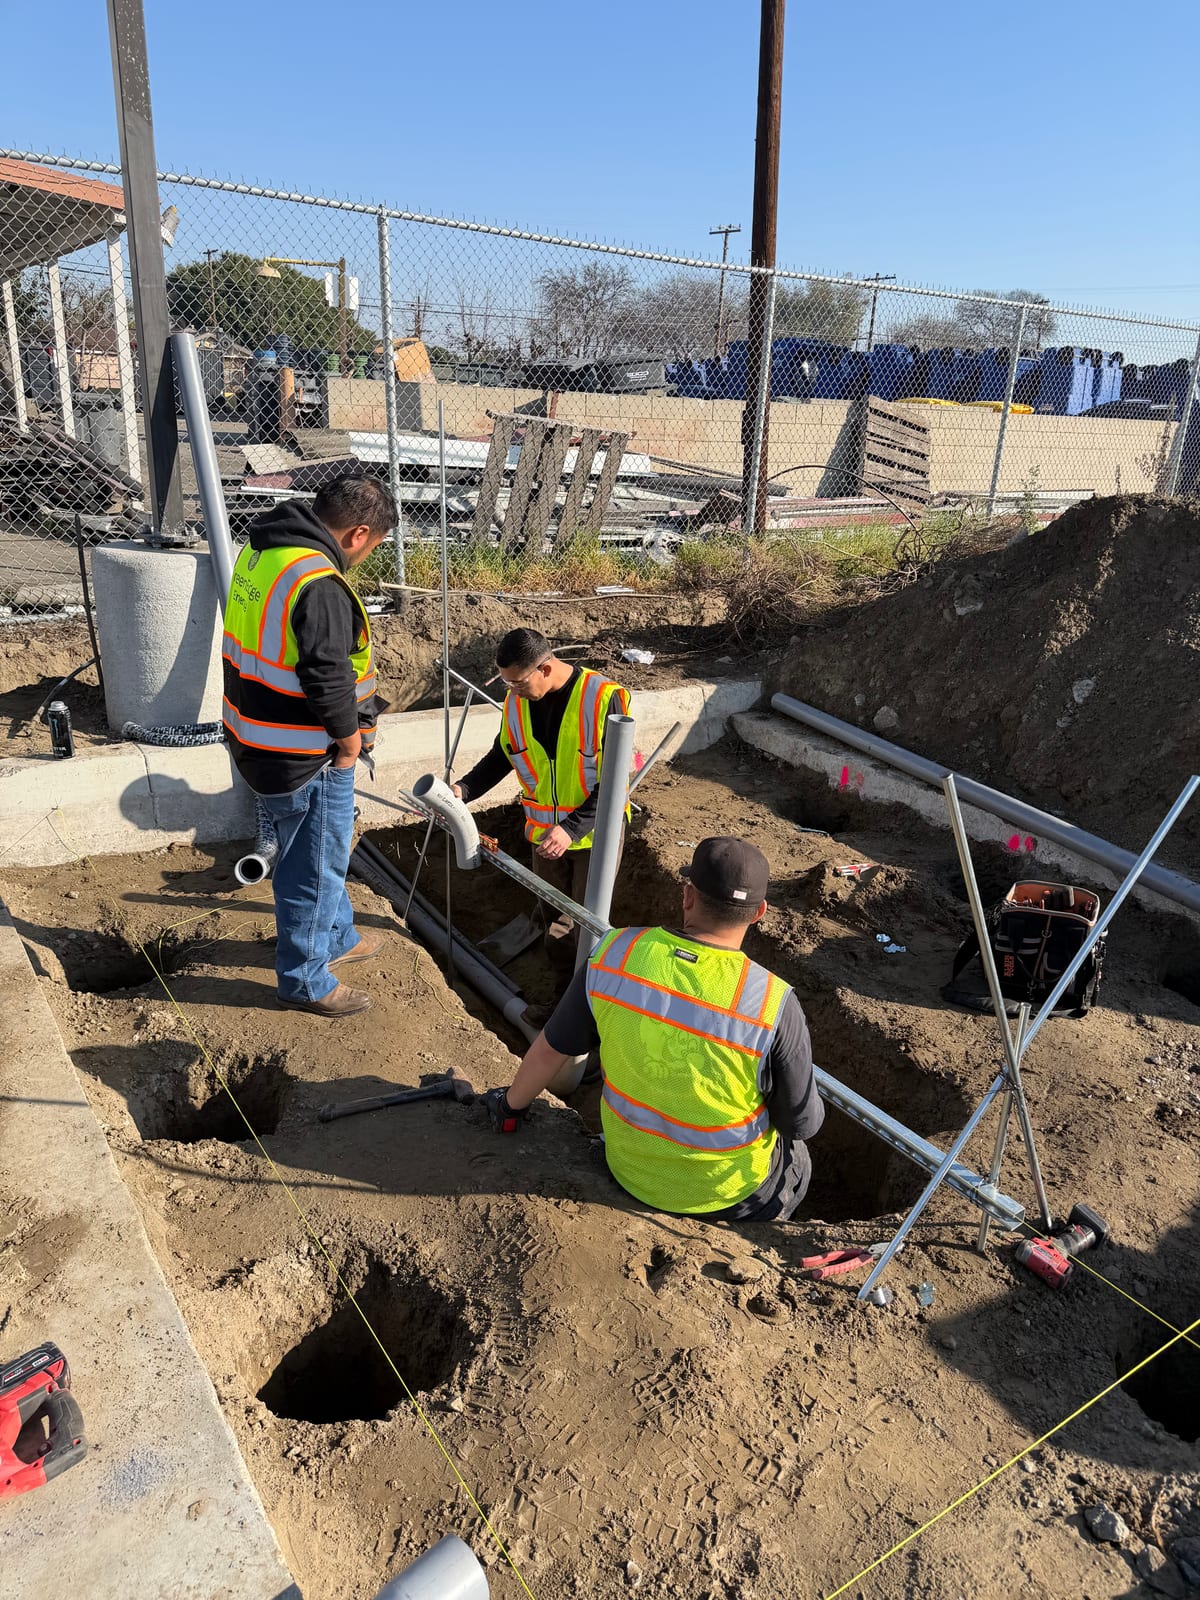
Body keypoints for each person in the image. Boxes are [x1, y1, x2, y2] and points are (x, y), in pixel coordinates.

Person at [481, 837, 825, 1221]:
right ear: (759, 912)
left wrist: (509, 1107)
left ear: (688, 895)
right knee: (797, 1157)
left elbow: (550, 1049)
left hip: (629, 1171)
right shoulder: (773, 1003)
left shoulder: (615, 953)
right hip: (725, 1196)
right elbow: (801, 1122)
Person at [222, 473, 395, 1018]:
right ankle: (304, 980)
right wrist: (349, 743)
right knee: (314, 865)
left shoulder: (263, 551)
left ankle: (338, 936)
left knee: (315, 851)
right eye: (372, 546)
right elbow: (326, 674)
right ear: (358, 533)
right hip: (303, 752)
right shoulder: (318, 582)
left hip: (254, 734)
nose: (364, 557)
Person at [452, 628, 631, 997]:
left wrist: (570, 829)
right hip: (543, 833)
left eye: (517, 682)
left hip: (594, 834)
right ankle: (562, 988)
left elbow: (614, 783)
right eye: (506, 683)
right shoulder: (517, 701)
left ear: (545, 669)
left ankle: (578, 1000)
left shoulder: (602, 698)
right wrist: (463, 790)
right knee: (553, 916)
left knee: (585, 924)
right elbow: (503, 754)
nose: (512, 690)